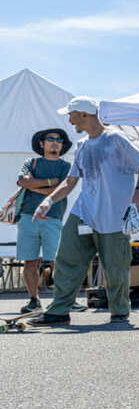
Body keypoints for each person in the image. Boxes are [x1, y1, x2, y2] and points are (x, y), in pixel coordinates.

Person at [28, 97, 139, 326]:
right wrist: (48, 200)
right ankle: (59, 311)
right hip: (85, 212)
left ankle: (120, 311)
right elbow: (71, 181)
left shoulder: (115, 139)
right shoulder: (82, 145)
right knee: (67, 258)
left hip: (114, 217)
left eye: (71, 114)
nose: (69, 119)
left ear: (83, 114)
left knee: (115, 266)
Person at [14, 128, 72, 313]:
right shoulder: (31, 163)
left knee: (57, 261)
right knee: (29, 262)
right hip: (27, 218)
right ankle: (34, 300)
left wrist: (34, 185)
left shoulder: (66, 167)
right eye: (50, 139)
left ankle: (63, 300)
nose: (55, 142)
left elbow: (61, 191)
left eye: (59, 140)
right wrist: (49, 183)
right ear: (42, 143)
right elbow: (23, 182)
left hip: (53, 218)